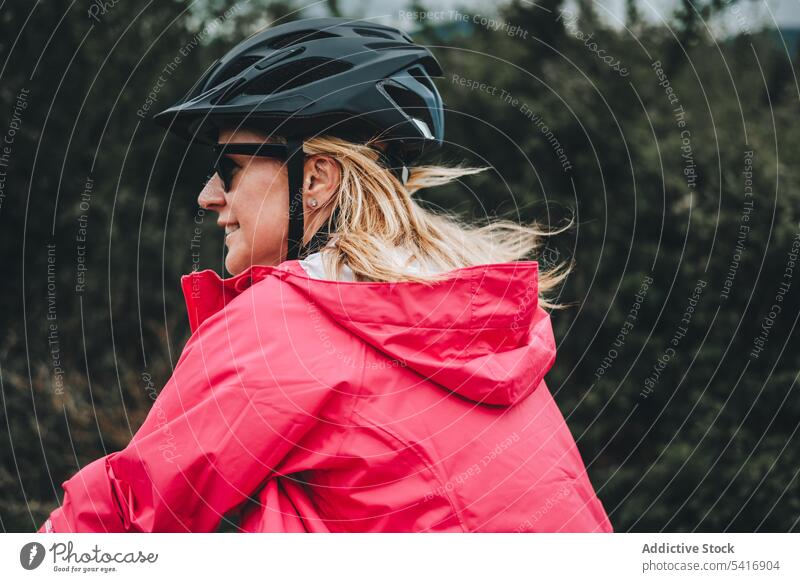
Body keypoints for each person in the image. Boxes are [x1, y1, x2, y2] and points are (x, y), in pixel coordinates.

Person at [38, 17, 612, 533]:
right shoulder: (468, 320)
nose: (209, 196)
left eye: (230, 168)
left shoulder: (283, 327)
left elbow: (132, 519)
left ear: (316, 179)